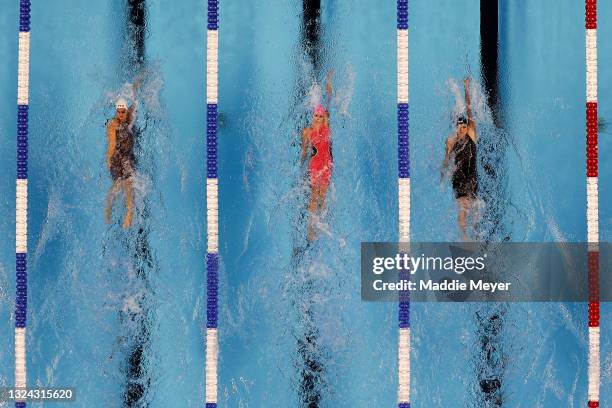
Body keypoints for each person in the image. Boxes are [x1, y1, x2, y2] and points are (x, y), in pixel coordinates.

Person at [442, 77, 478, 241]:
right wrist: (448, 152)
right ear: (456, 127)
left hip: (471, 177)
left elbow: (470, 111)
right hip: (459, 178)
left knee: (474, 210)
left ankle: (474, 237)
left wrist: (466, 89)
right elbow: (446, 162)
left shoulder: (472, 135)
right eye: (460, 127)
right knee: (463, 207)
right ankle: (464, 238)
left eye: (464, 127)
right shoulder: (451, 141)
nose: (463, 129)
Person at [301, 70, 334, 241]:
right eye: (316, 115)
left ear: (324, 118)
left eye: (320, 116)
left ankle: (320, 223)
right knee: (314, 196)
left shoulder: (327, 127)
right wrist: (301, 165)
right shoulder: (307, 131)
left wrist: (329, 80)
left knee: (323, 197)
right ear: (313, 116)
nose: (318, 118)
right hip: (315, 165)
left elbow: (329, 100)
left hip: (327, 165)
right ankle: (310, 229)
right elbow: (304, 151)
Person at [105, 81, 140, 229]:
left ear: (126, 111)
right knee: (117, 184)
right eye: (118, 112)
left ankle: (129, 213)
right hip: (117, 157)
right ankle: (108, 210)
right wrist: (109, 159)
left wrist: (137, 84)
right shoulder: (112, 125)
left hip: (128, 156)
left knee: (128, 183)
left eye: (123, 112)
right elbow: (112, 144)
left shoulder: (130, 116)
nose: (120, 115)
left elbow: (135, 101)